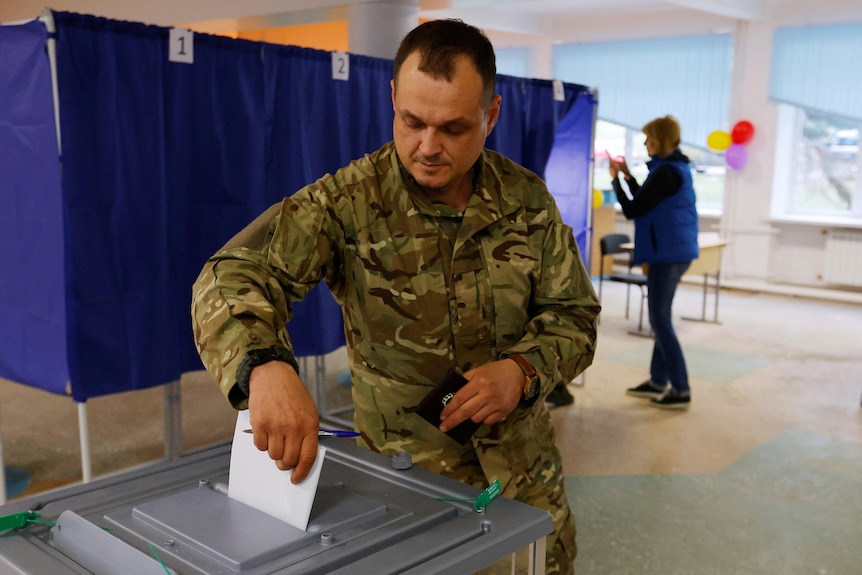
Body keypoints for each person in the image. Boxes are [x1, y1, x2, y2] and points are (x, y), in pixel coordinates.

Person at [192, 19, 599, 574]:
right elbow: (229, 276)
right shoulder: (349, 203)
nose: (427, 147)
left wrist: (523, 371)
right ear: (393, 99)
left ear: (492, 115)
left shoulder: (526, 199)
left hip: (524, 479)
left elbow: (574, 317)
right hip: (408, 489)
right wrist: (264, 367)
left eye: (453, 129)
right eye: (412, 122)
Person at [608, 115, 698, 410]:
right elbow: (646, 199)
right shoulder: (670, 168)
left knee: (660, 321)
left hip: (667, 254)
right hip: (672, 250)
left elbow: (633, 209)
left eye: (649, 138)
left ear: (660, 140)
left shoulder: (666, 172)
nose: (646, 143)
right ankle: (658, 381)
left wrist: (614, 180)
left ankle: (680, 387)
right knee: (661, 319)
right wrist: (626, 177)